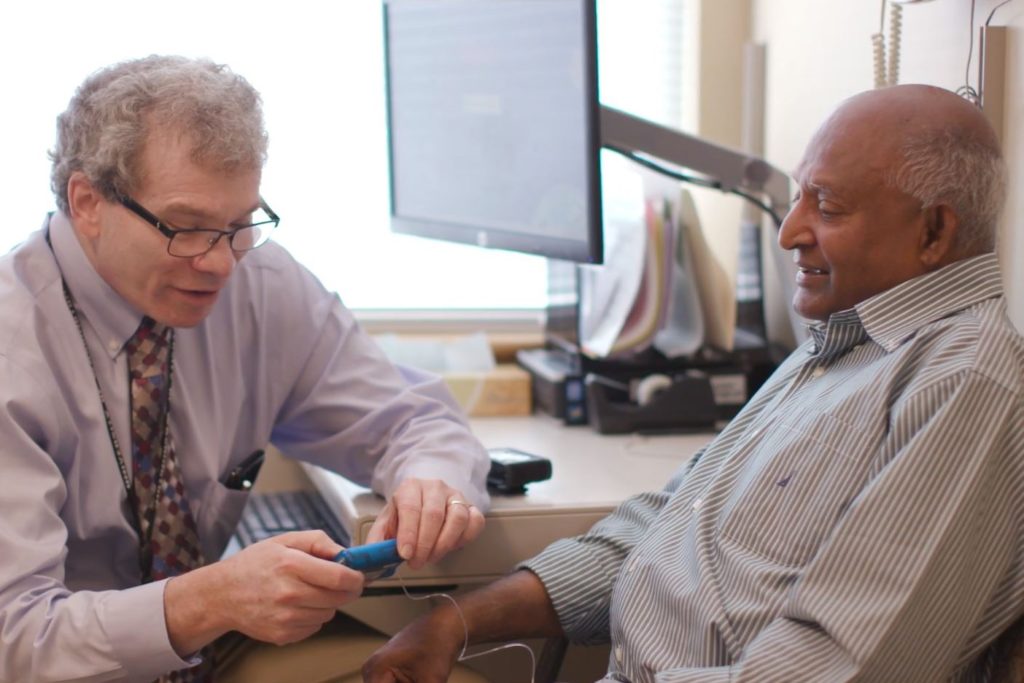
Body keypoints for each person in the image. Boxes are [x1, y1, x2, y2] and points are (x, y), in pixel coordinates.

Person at [363, 84, 1024, 682]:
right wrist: (453, 620)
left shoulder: (966, 382)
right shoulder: (843, 341)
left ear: (934, 231)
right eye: (797, 195)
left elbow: (836, 670)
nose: (791, 231)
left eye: (826, 206)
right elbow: (661, 524)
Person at [0, 55, 492, 682]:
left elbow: (412, 419)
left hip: (209, 652)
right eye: (185, 228)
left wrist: (431, 483)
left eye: (239, 225)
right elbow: (15, 640)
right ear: (87, 202)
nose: (220, 264)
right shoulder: (12, 353)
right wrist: (210, 599)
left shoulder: (260, 282)